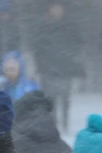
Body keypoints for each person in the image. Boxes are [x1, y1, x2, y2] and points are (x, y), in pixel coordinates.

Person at [31, 1, 84, 132]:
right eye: (54, 8)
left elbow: (78, 43)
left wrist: (71, 57)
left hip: (65, 67)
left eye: (59, 8)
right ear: (50, 9)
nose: (57, 10)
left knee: (66, 97)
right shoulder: (43, 25)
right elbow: (37, 47)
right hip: (48, 68)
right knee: (50, 99)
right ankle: (52, 124)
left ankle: (65, 123)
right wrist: (40, 66)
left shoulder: (70, 25)